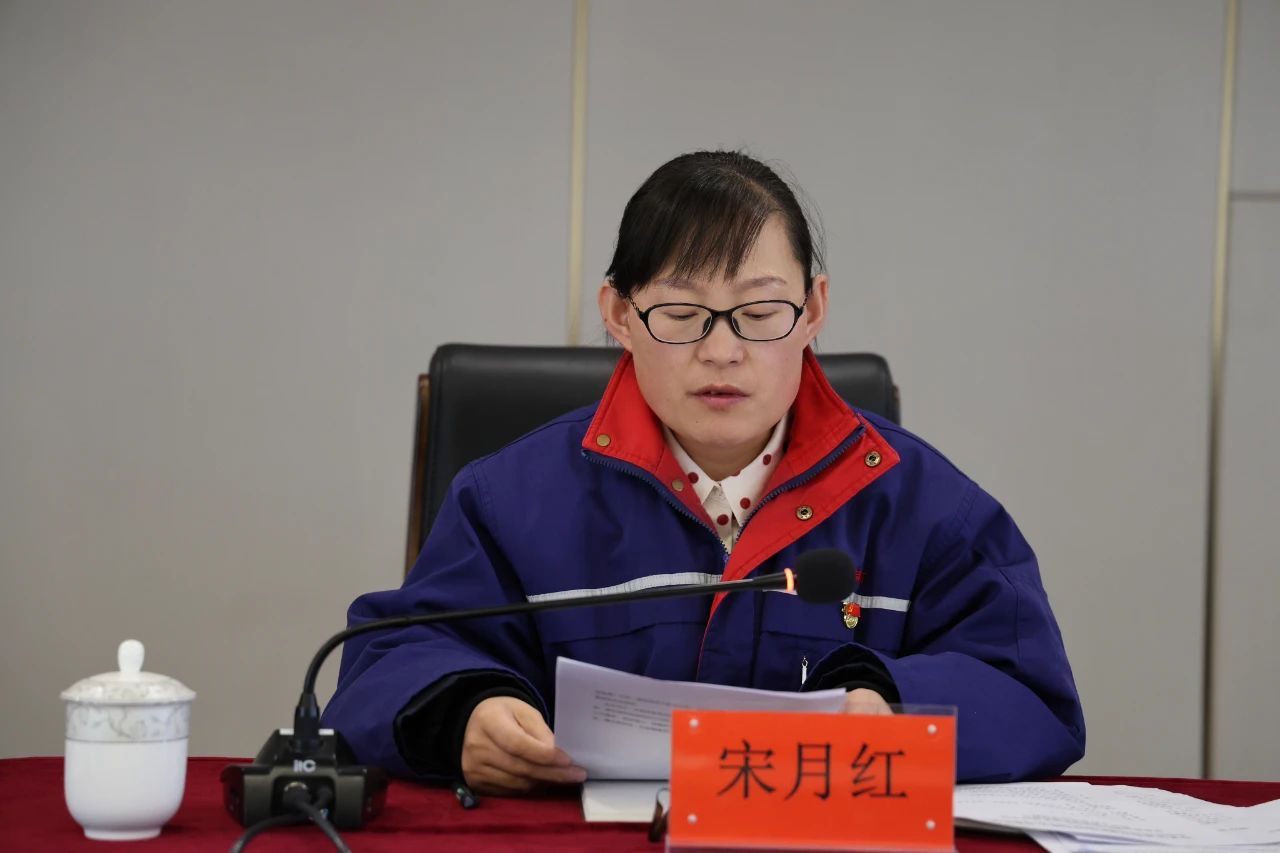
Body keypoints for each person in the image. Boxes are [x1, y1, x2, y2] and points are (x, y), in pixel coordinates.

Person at [322, 151, 1085, 794]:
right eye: (683, 314)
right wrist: (463, 713)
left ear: (815, 309)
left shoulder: (923, 504)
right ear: (620, 315)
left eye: (761, 312)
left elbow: (1030, 694)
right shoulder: (511, 500)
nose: (722, 351)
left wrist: (894, 703)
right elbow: (388, 658)